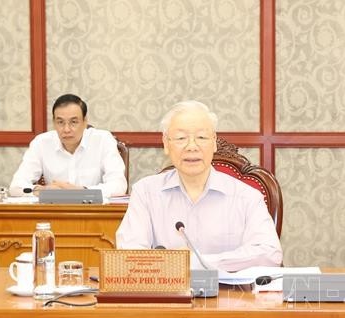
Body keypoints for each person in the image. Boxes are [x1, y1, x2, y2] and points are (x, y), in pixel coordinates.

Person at [116, 100, 282, 272]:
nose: (192, 147)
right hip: (169, 296)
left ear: (214, 142)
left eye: (201, 137)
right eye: (181, 138)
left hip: (231, 296)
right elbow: (128, 255)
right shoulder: (145, 192)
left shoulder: (247, 197)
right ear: (166, 143)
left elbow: (270, 255)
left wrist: (195, 262)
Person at [9, 94, 127, 198]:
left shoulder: (103, 140)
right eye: (60, 122)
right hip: (55, 214)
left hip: (93, 215)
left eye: (73, 122)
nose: (66, 129)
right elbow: (16, 186)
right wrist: (43, 191)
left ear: (85, 121)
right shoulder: (41, 143)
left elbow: (118, 186)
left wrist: (82, 191)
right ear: (54, 122)